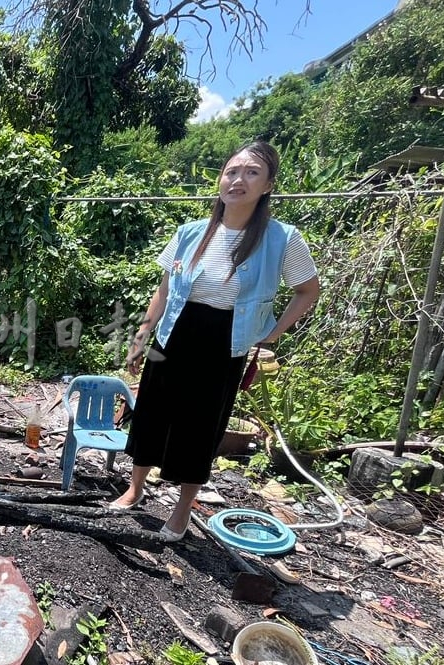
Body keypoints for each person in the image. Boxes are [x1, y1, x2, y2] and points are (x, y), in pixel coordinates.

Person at [109, 140, 320, 541]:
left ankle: (182, 510)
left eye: (251, 172)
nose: (238, 179)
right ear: (221, 180)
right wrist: (141, 334)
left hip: (226, 341)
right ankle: (135, 489)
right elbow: (166, 287)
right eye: (231, 171)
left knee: (200, 427)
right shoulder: (191, 233)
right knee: (152, 411)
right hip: (175, 332)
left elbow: (308, 290)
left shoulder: (282, 239)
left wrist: (274, 332)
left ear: (268, 184)